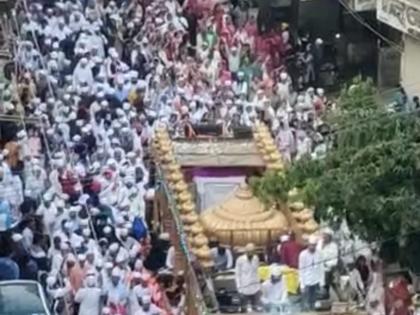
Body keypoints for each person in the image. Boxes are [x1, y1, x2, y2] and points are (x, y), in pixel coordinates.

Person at [299, 235, 324, 311]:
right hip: (306, 281)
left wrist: (322, 282)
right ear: (308, 245)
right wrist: (302, 285)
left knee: (315, 302)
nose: (312, 247)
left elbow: (321, 268)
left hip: (316, 280)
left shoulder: (319, 253)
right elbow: (301, 270)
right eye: (311, 245)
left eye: (314, 245)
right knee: (306, 303)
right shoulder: (303, 254)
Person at [235, 243, 261, 312]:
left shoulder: (256, 258)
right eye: (249, 252)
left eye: (252, 252)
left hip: (255, 288)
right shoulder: (240, 260)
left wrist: (259, 286)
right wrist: (239, 288)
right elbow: (237, 275)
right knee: (244, 310)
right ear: (246, 252)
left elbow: (257, 272)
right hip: (244, 289)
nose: (251, 254)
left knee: (256, 309)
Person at [317, 228, 339, 298]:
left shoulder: (334, 246)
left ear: (330, 237)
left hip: (328, 269)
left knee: (325, 283)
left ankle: (325, 295)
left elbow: (335, 260)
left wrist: (326, 264)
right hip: (317, 268)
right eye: (324, 236)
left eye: (326, 236)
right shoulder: (319, 244)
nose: (324, 237)